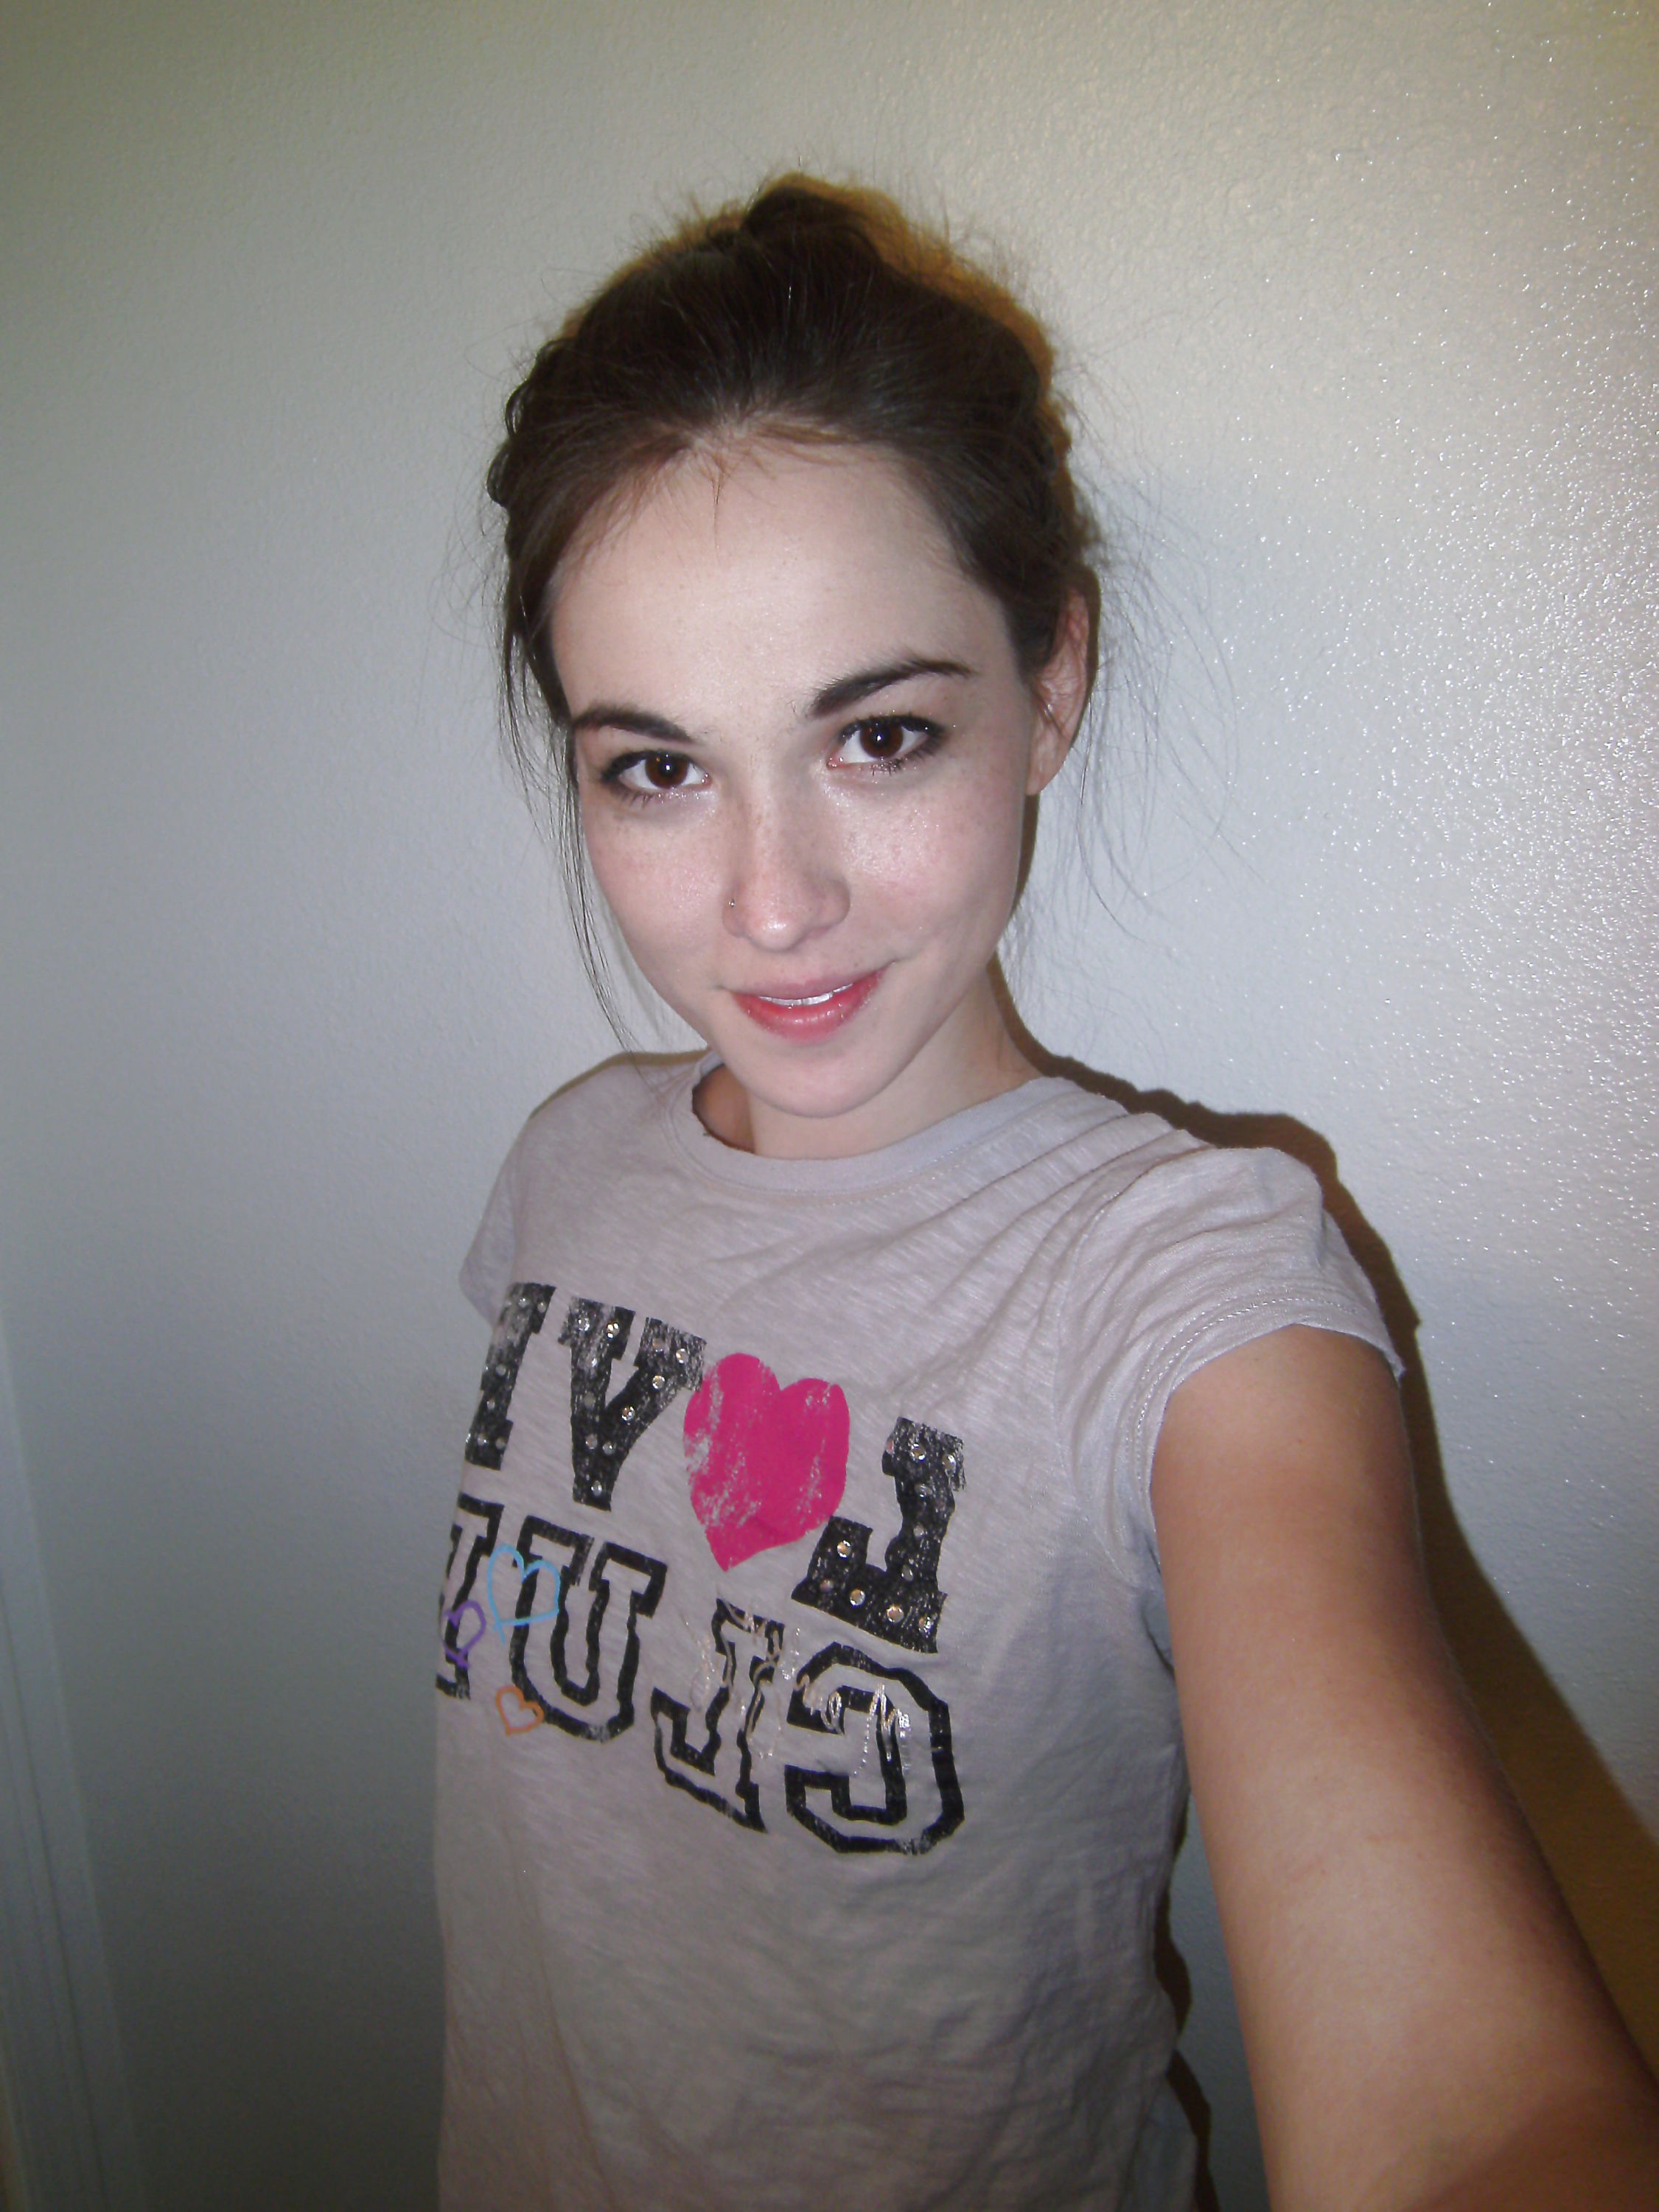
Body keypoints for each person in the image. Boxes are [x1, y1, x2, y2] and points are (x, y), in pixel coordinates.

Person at [435, 178, 1659, 2211]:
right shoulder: (565, 1168)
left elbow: (1468, 2124)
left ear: (1051, 685)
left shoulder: (1191, 1290)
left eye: (878, 736)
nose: (768, 901)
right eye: (655, 767)